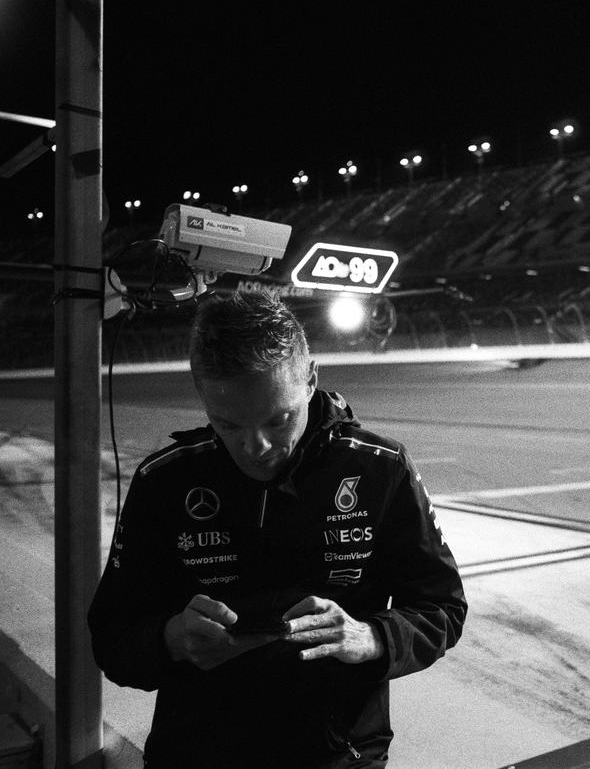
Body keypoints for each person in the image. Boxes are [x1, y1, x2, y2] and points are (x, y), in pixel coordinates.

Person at [88, 291, 466, 768]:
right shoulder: (164, 481)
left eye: (279, 419)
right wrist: (171, 638)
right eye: (227, 424)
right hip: (196, 755)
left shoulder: (379, 468)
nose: (257, 446)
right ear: (202, 396)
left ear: (310, 379)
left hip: (337, 757)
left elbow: (443, 608)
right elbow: (112, 638)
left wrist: (370, 636)